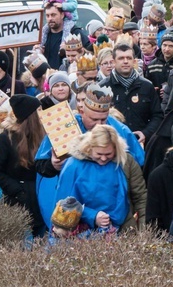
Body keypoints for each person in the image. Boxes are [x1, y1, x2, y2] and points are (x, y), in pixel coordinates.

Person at [34, 84, 145, 229]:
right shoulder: (64, 126)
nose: (99, 125)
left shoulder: (120, 130)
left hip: (117, 212)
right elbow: (40, 165)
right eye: (94, 119)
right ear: (82, 111)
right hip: (74, 205)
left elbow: (136, 167)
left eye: (103, 119)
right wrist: (53, 165)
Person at [55, 124, 147, 233]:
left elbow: (140, 197)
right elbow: (62, 204)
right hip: (82, 234)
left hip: (124, 229)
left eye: (108, 154)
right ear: (89, 148)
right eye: (99, 154)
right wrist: (92, 216)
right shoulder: (73, 165)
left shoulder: (126, 161)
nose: (103, 158)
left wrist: (144, 229)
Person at [0, 95, 45, 236]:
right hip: (19, 202)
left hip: (41, 200)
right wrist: (18, 190)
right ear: (31, 116)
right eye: (39, 110)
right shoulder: (6, 138)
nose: (42, 113)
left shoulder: (43, 136)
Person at [99, 40, 163, 145]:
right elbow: (97, 118)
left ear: (134, 61)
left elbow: (157, 116)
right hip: (113, 145)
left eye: (129, 58)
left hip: (142, 145)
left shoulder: (147, 86)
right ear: (114, 62)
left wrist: (145, 133)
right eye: (121, 58)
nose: (125, 61)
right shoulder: (103, 87)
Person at [42, 3, 91, 69]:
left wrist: (73, 48)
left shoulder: (74, 33)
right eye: (47, 16)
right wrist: (39, 53)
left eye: (53, 15)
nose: (50, 18)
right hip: (48, 77)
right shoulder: (43, 36)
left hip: (70, 76)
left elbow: (91, 54)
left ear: (62, 15)